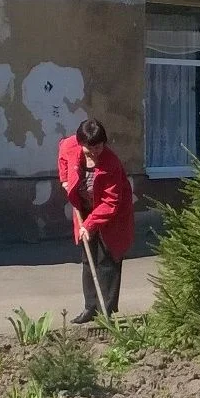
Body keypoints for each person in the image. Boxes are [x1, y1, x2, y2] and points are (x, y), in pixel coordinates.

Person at [62, 119, 135, 324]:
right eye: (90, 148)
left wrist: (89, 225)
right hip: (85, 210)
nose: (94, 152)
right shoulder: (71, 146)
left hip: (112, 216)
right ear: (81, 143)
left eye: (99, 147)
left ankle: (106, 311)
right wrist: (65, 179)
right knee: (88, 259)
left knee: (107, 259)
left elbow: (111, 202)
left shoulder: (111, 163)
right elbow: (62, 157)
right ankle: (90, 308)